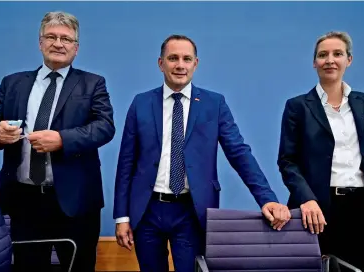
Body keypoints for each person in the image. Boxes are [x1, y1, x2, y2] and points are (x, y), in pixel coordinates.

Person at [114, 34, 290, 272]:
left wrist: (266, 198)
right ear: (160, 63)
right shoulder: (141, 103)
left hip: (192, 211)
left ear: (195, 64)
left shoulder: (213, 104)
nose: (180, 65)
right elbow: (126, 162)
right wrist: (122, 217)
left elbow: (239, 153)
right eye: (173, 58)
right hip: (148, 211)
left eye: (187, 59)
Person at [0, 11, 115, 272]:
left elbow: (105, 127)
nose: (58, 43)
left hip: (76, 202)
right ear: (40, 42)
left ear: (76, 48)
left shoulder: (93, 83)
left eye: (66, 39)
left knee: (79, 267)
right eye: (51, 36)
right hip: (24, 200)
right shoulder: (12, 84)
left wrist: (62, 140)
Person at [277, 31, 364, 272]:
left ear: (348, 60)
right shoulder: (297, 106)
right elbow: (288, 162)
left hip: (363, 209)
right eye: (323, 55)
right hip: (318, 209)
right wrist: (306, 199)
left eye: (337, 54)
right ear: (314, 62)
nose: (330, 60)